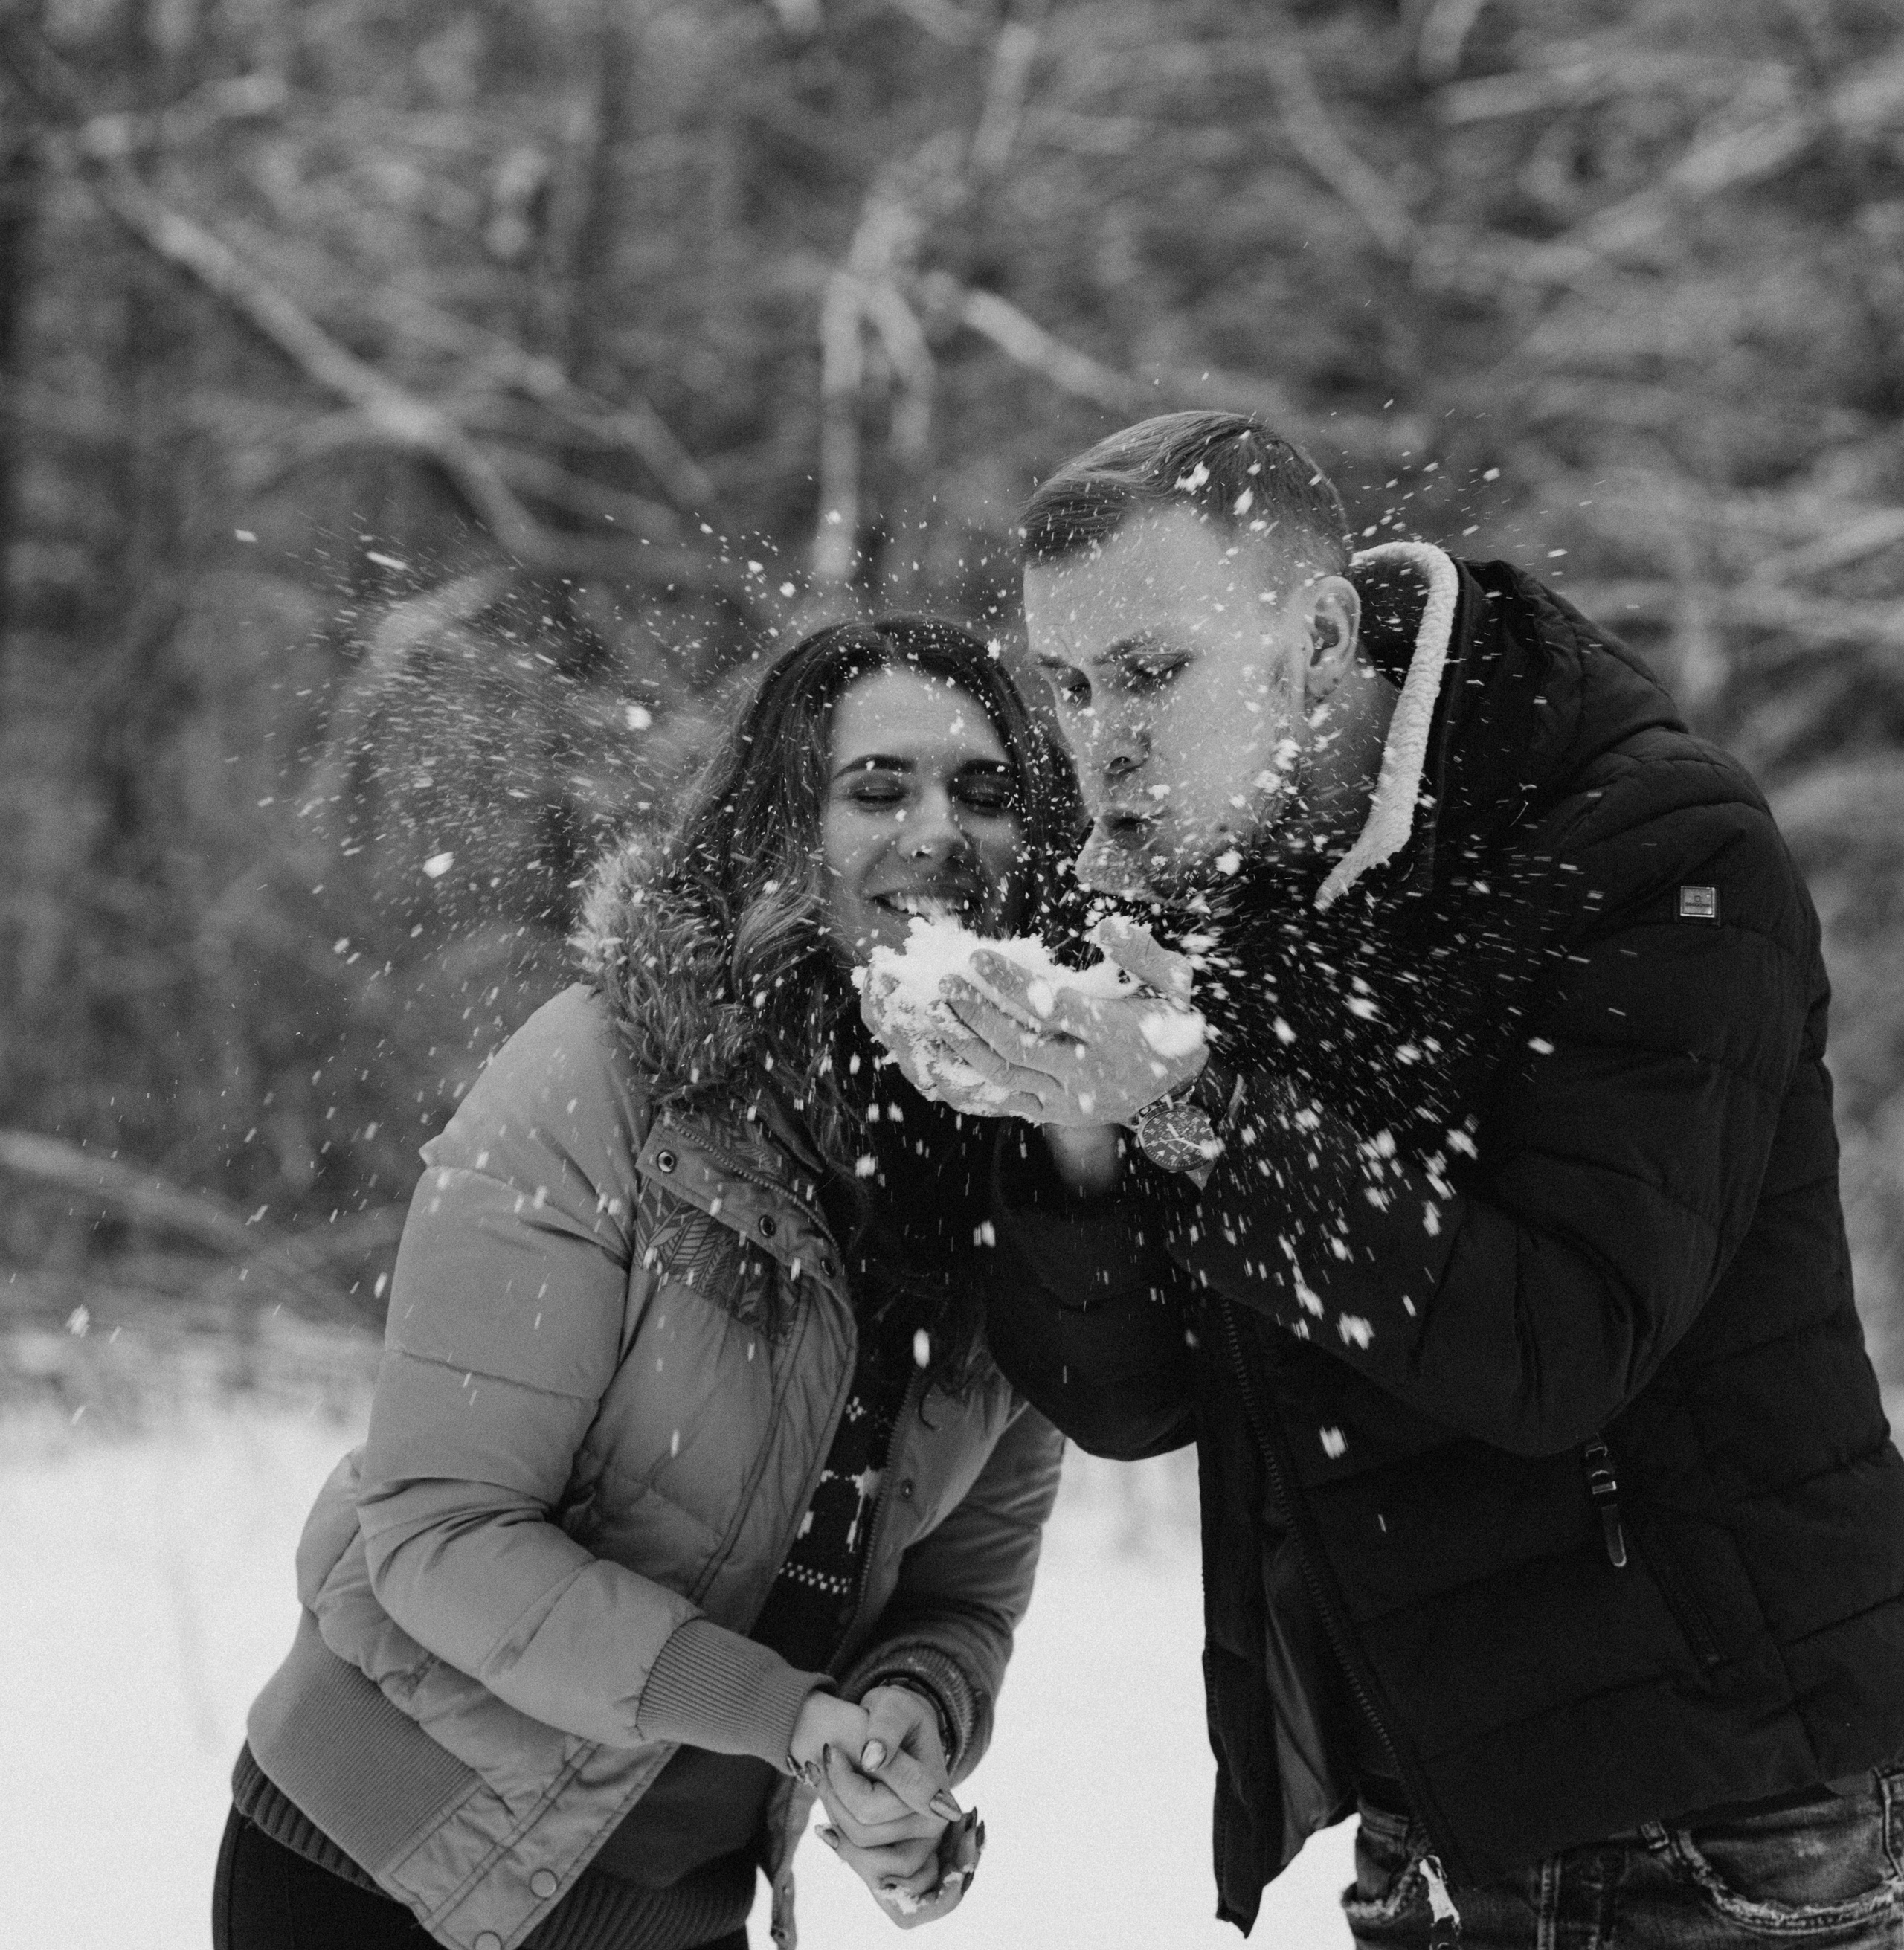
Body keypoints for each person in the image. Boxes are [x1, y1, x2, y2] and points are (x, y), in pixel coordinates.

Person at [870, 412, 1904, 1946]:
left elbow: (1559, 1345)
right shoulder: (1190, 888)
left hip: (1731, 1810)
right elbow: (1131, 1401)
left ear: (1315, 640)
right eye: (1070, 685)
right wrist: (1074, 1136)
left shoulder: (1652, 847)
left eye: (1152, 671)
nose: (1104, 741)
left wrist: (1198, 1108)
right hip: (1433, 1806)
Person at [213, 616, 1074, 1950]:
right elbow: (444, 1532)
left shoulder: (1026, 1161)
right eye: (877, 788)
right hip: (379, 1872)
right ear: (783, 827)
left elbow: (959, 1593)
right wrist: (776, 1710)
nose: (937, 830)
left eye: (982, 789)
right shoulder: (604, 1080)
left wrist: (913, 1706)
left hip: (675, 1911)